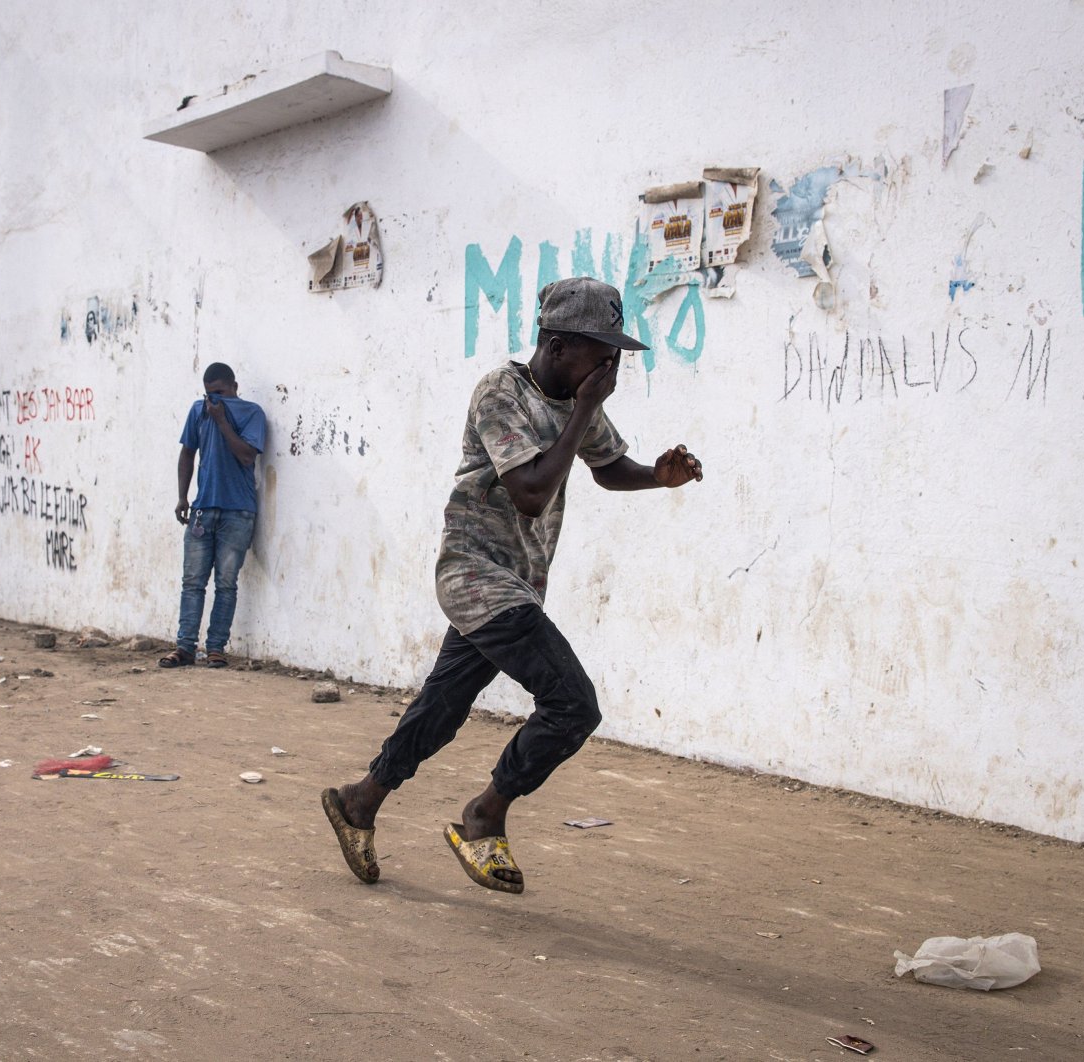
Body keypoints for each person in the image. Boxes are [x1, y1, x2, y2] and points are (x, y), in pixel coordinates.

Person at [321, 277, 703, 894]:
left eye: (617, 355)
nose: (611, 365)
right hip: (476, 575)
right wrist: (582, 409)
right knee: (573, 704)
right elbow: (529, 493)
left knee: (440, 710)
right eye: (600, 351)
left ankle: (359, 801)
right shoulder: (500, 394)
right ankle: (484, 815)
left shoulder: (581, 402)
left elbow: (606, 469)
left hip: (518, 582)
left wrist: (657, 477)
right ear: (556, 345)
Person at [159, 362, 268, 669]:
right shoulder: (198, 411)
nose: (214, 400)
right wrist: (183, 496)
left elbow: (247, 456)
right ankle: (184, 648)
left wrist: (222, 421)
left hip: (238, 512)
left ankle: (216, 648)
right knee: (192, 582)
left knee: (226, 583)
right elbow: (187, 453)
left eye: (220, 393)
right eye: (209, 395)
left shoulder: (252, 413)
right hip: (202, 510)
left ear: (234, 387)